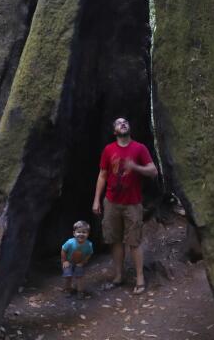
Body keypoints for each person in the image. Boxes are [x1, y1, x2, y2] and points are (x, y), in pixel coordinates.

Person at [92, 117, 158, 295]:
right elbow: (103, 175)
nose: (123, 123)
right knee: (115, 240)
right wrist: (97, 200)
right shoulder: (109, 150)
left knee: (134, 242)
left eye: (126, 122)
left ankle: (140, 278)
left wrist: (135, 167)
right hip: (112, 202)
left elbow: (153, 171)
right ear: (115, 131)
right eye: (119, 123)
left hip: (133, 203)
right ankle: (119, 276)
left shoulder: (139, 148)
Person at [61, 220, 94, 299]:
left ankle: (80, 291)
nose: (81, 234)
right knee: (67, 276)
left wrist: (83, 261)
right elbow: (63, 250)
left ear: (88, 234)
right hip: (69, 262)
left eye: (84, 232)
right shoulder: (70, 242)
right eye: (79, 232)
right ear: (74, 233)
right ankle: (67, 289)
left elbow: (90, 253)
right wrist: (64, 261)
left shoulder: (89, 244)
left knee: (80, 276)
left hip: (79, 263)